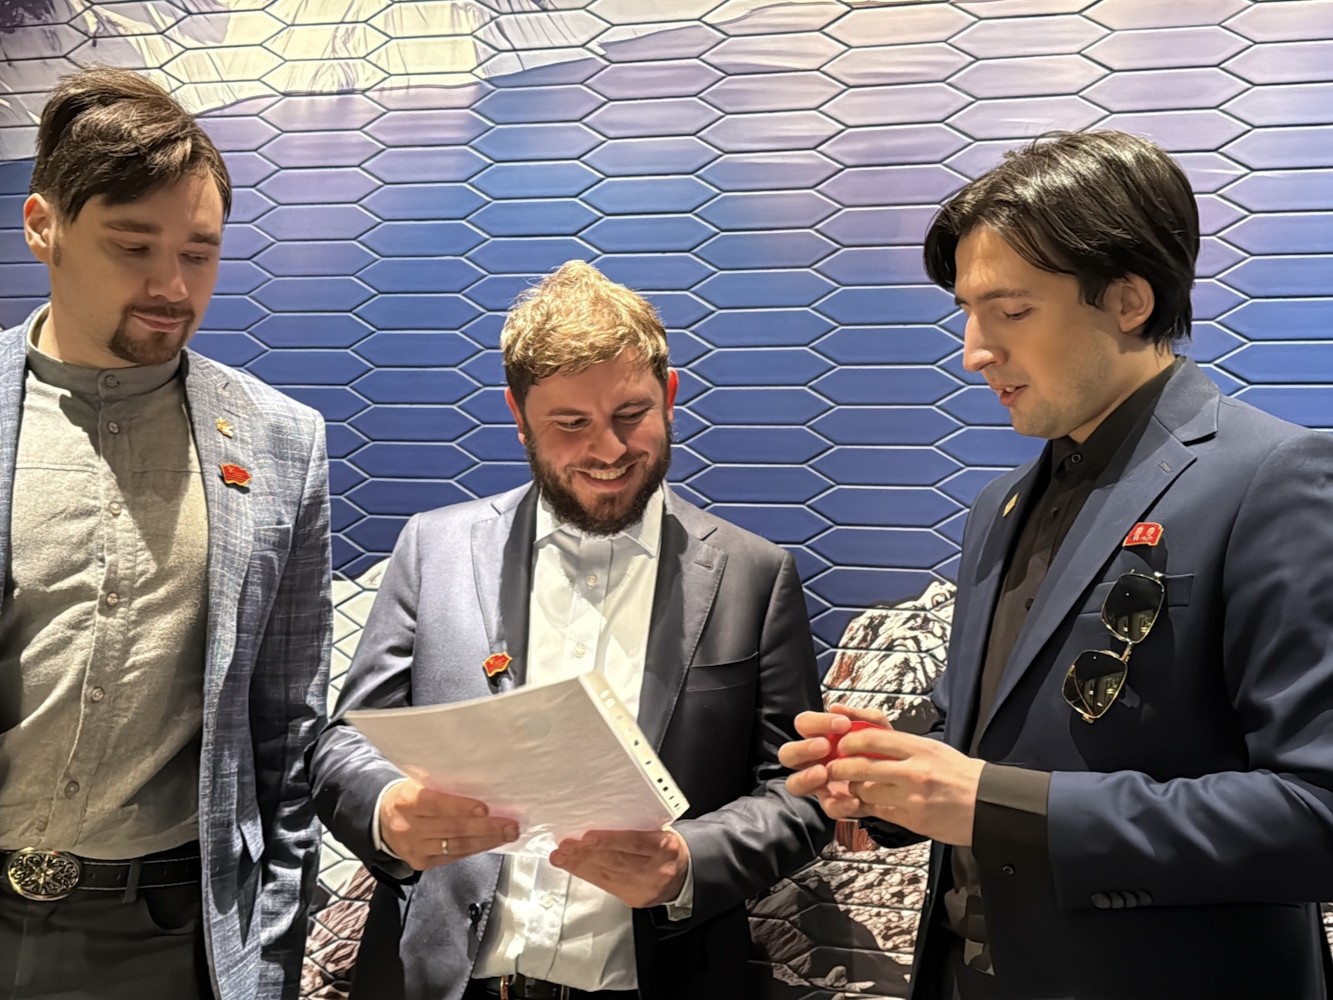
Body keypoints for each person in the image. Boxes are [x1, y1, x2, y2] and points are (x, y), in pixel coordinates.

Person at [780, 129, 1333, 999]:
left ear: (1128, 300)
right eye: (966, 313)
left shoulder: (1272, 477)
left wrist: (996, 806)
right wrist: (893, 781)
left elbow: (1315, 814)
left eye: (1010, 311)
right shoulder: (996, 508)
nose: (974, 350)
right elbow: (986, 746)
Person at [309, 259, 831, 1000]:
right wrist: (390, 813)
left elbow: (798, 795)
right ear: (518, 416)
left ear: (670, 396)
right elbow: (345, 743)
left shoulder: (755, 575)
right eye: (571, 424)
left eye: (630, 415)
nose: (609, 451)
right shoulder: (433, 548)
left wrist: (686, 863)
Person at [0, 68, 330, 1000]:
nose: (171, 285)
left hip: (165, 936)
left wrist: (272, 947)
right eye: (133, 245)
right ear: (43, 227)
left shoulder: (280, 442)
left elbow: (289, 731)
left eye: (199, 252)